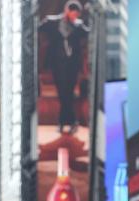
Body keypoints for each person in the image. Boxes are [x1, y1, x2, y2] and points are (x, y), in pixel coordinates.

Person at [39, 1, 91, 133]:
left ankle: (65, 122)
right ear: (67, 10)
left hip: (72, 67)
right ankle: (70, 122)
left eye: (77, 15)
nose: (75, 17)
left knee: (68, 93)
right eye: (73, 14)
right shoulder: (54, 23)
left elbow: (89, 32)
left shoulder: (78, 26)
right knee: (63, 94)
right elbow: (39, 27)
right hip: (57, 65)